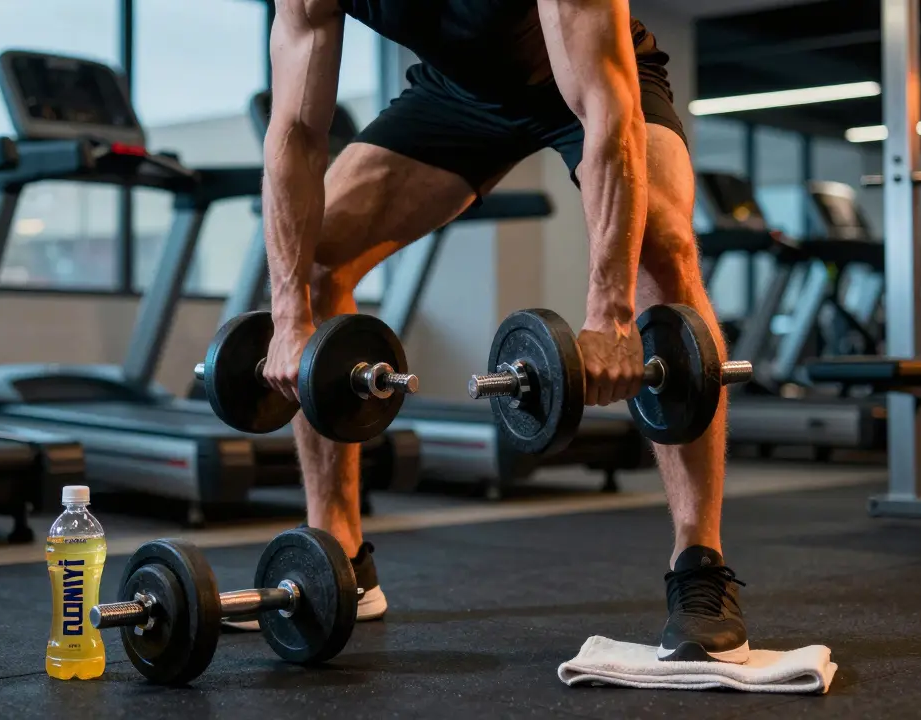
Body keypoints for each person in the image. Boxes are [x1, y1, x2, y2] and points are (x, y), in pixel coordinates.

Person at [252, 0, 747, 663]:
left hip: (596, 74)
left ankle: (700, 563)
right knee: (315, 260)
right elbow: (295, 133)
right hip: (460, 93)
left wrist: (611, 315)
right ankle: (339, 556)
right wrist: (288, 322)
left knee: (663, 248)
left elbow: (609, 108)